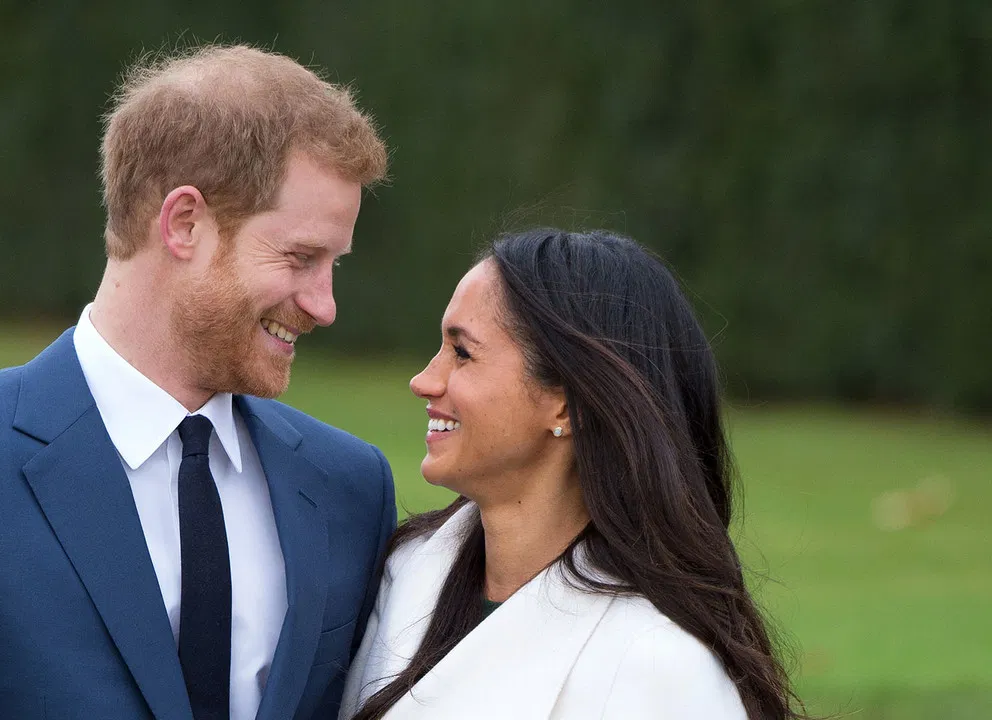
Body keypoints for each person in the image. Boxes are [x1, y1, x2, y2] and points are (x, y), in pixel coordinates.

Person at [0, 45, 395, 720]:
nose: (324, 305)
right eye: (301, 258)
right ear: (184, 223)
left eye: (334, 265)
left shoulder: (349, 490)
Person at [340, 229, 806, 719]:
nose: (423, 381)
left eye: (462, 353)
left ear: (566, 406)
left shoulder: (659, 668)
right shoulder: (407, 571)